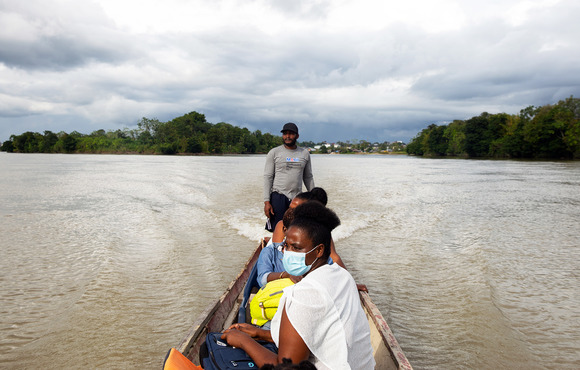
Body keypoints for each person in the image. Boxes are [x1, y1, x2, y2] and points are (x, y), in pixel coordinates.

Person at [222, 202, 376, 369]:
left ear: (319, 250)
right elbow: (314, 331)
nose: (288, 253)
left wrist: (244, 341)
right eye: (286, 246)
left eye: (296, 248)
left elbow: (287, 368)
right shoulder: (343, 277)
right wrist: (261, 334)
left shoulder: (303, 294)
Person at [263, 123, 315, 232]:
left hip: (297, 198)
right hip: (278, 197)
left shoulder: (304, 154)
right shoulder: (274, 152)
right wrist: (267, 202)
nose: (287, 136)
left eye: (291, 134)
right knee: (278, 228)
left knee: (297, 228)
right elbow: (268, 177)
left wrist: (314, 197)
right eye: (285, 134)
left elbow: (308, 177)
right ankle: (277, 247)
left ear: (297, 136)